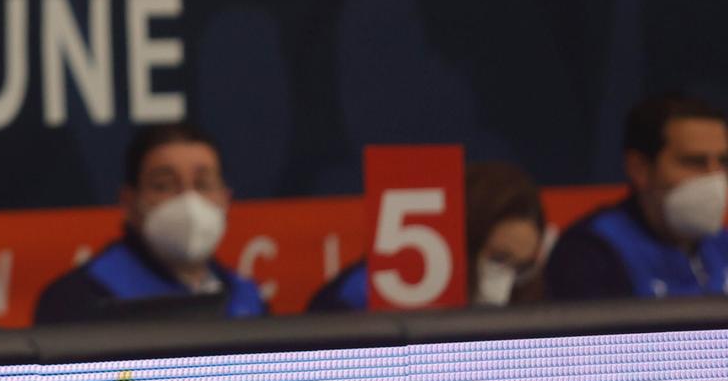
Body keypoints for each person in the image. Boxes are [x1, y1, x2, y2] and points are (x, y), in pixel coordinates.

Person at [31, 123, 267, 322]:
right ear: (129, 202)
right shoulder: (80, 300)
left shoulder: (246, 298)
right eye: (164, 185)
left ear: (226, 199)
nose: (188, 200)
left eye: (203, 184)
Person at [545, 93, 728, 300]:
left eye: (723, 162)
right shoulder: (590, 254)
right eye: (695, 162)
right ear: (639, 168)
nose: (715, 177)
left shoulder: (722, 243)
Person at [306, 161, 546, 312]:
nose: (504, 282)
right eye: (498, 259)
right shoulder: (362, 293)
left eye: (521, 268)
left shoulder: (531, 294)